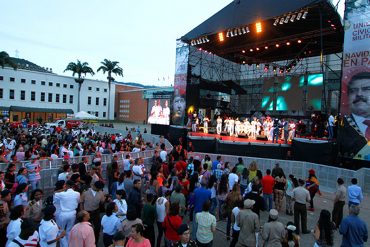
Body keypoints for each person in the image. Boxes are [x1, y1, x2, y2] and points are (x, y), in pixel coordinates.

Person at [338, 72, 370, 159]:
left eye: (366, 89)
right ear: (348, 96)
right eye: (353, 90)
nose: (359, 94)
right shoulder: (343, 125)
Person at [53, 180, 80, 247]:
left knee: (60, 231)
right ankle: (69, 244)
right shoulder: (77, 193)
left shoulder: (61, 194)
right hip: (73, 213)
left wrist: (63, 189)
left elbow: (55, 194)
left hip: (63, 214)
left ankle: (65, 245)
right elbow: (78, 201)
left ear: (66, 186)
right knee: (69, 230)